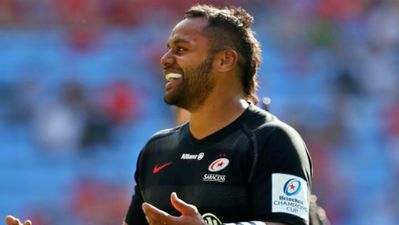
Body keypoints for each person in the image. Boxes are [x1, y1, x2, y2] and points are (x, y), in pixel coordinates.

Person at [6, 4, 314, 225]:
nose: (165, 59)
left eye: (181, 49)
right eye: (168, 49)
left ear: (225, 60)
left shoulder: (272, 141)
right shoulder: (157, 149)